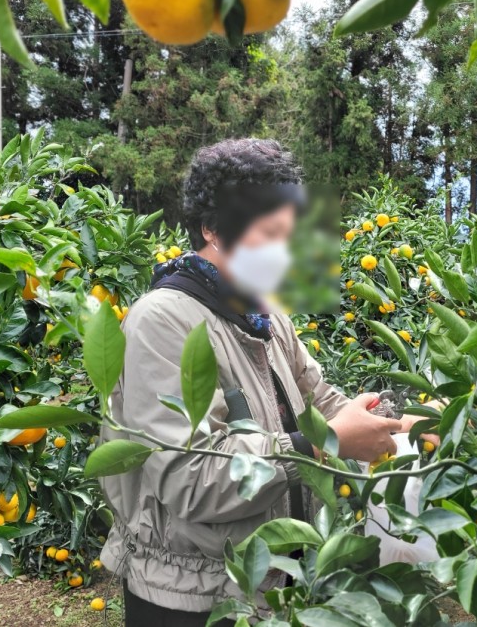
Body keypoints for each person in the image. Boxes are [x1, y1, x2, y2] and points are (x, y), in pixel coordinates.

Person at [98, 139, 424, 627]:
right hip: (188, 595)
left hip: (268, 582)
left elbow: (324, 402)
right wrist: (320, 446)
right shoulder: (163, 321)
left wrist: (403, 425)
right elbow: (189, 478)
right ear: (213, 230)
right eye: (269, 235)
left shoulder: (263, 317)